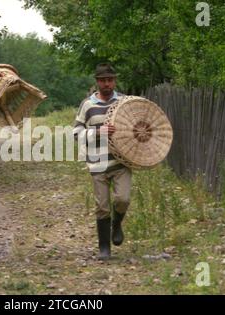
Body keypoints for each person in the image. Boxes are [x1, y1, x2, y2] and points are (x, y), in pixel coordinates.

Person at [73, 63, 132, 260]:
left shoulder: (124, 102)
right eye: (103, 80)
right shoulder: (87, 105)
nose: (107, 84)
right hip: (97, 163)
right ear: (97, 82)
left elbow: (135, 125)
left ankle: (117, 225)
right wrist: (99, 131)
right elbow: (76, 133)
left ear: (114, 80)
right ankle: (104, 248)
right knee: (102, 206)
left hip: (121, 161)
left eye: (110, 80)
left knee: (123, 199)